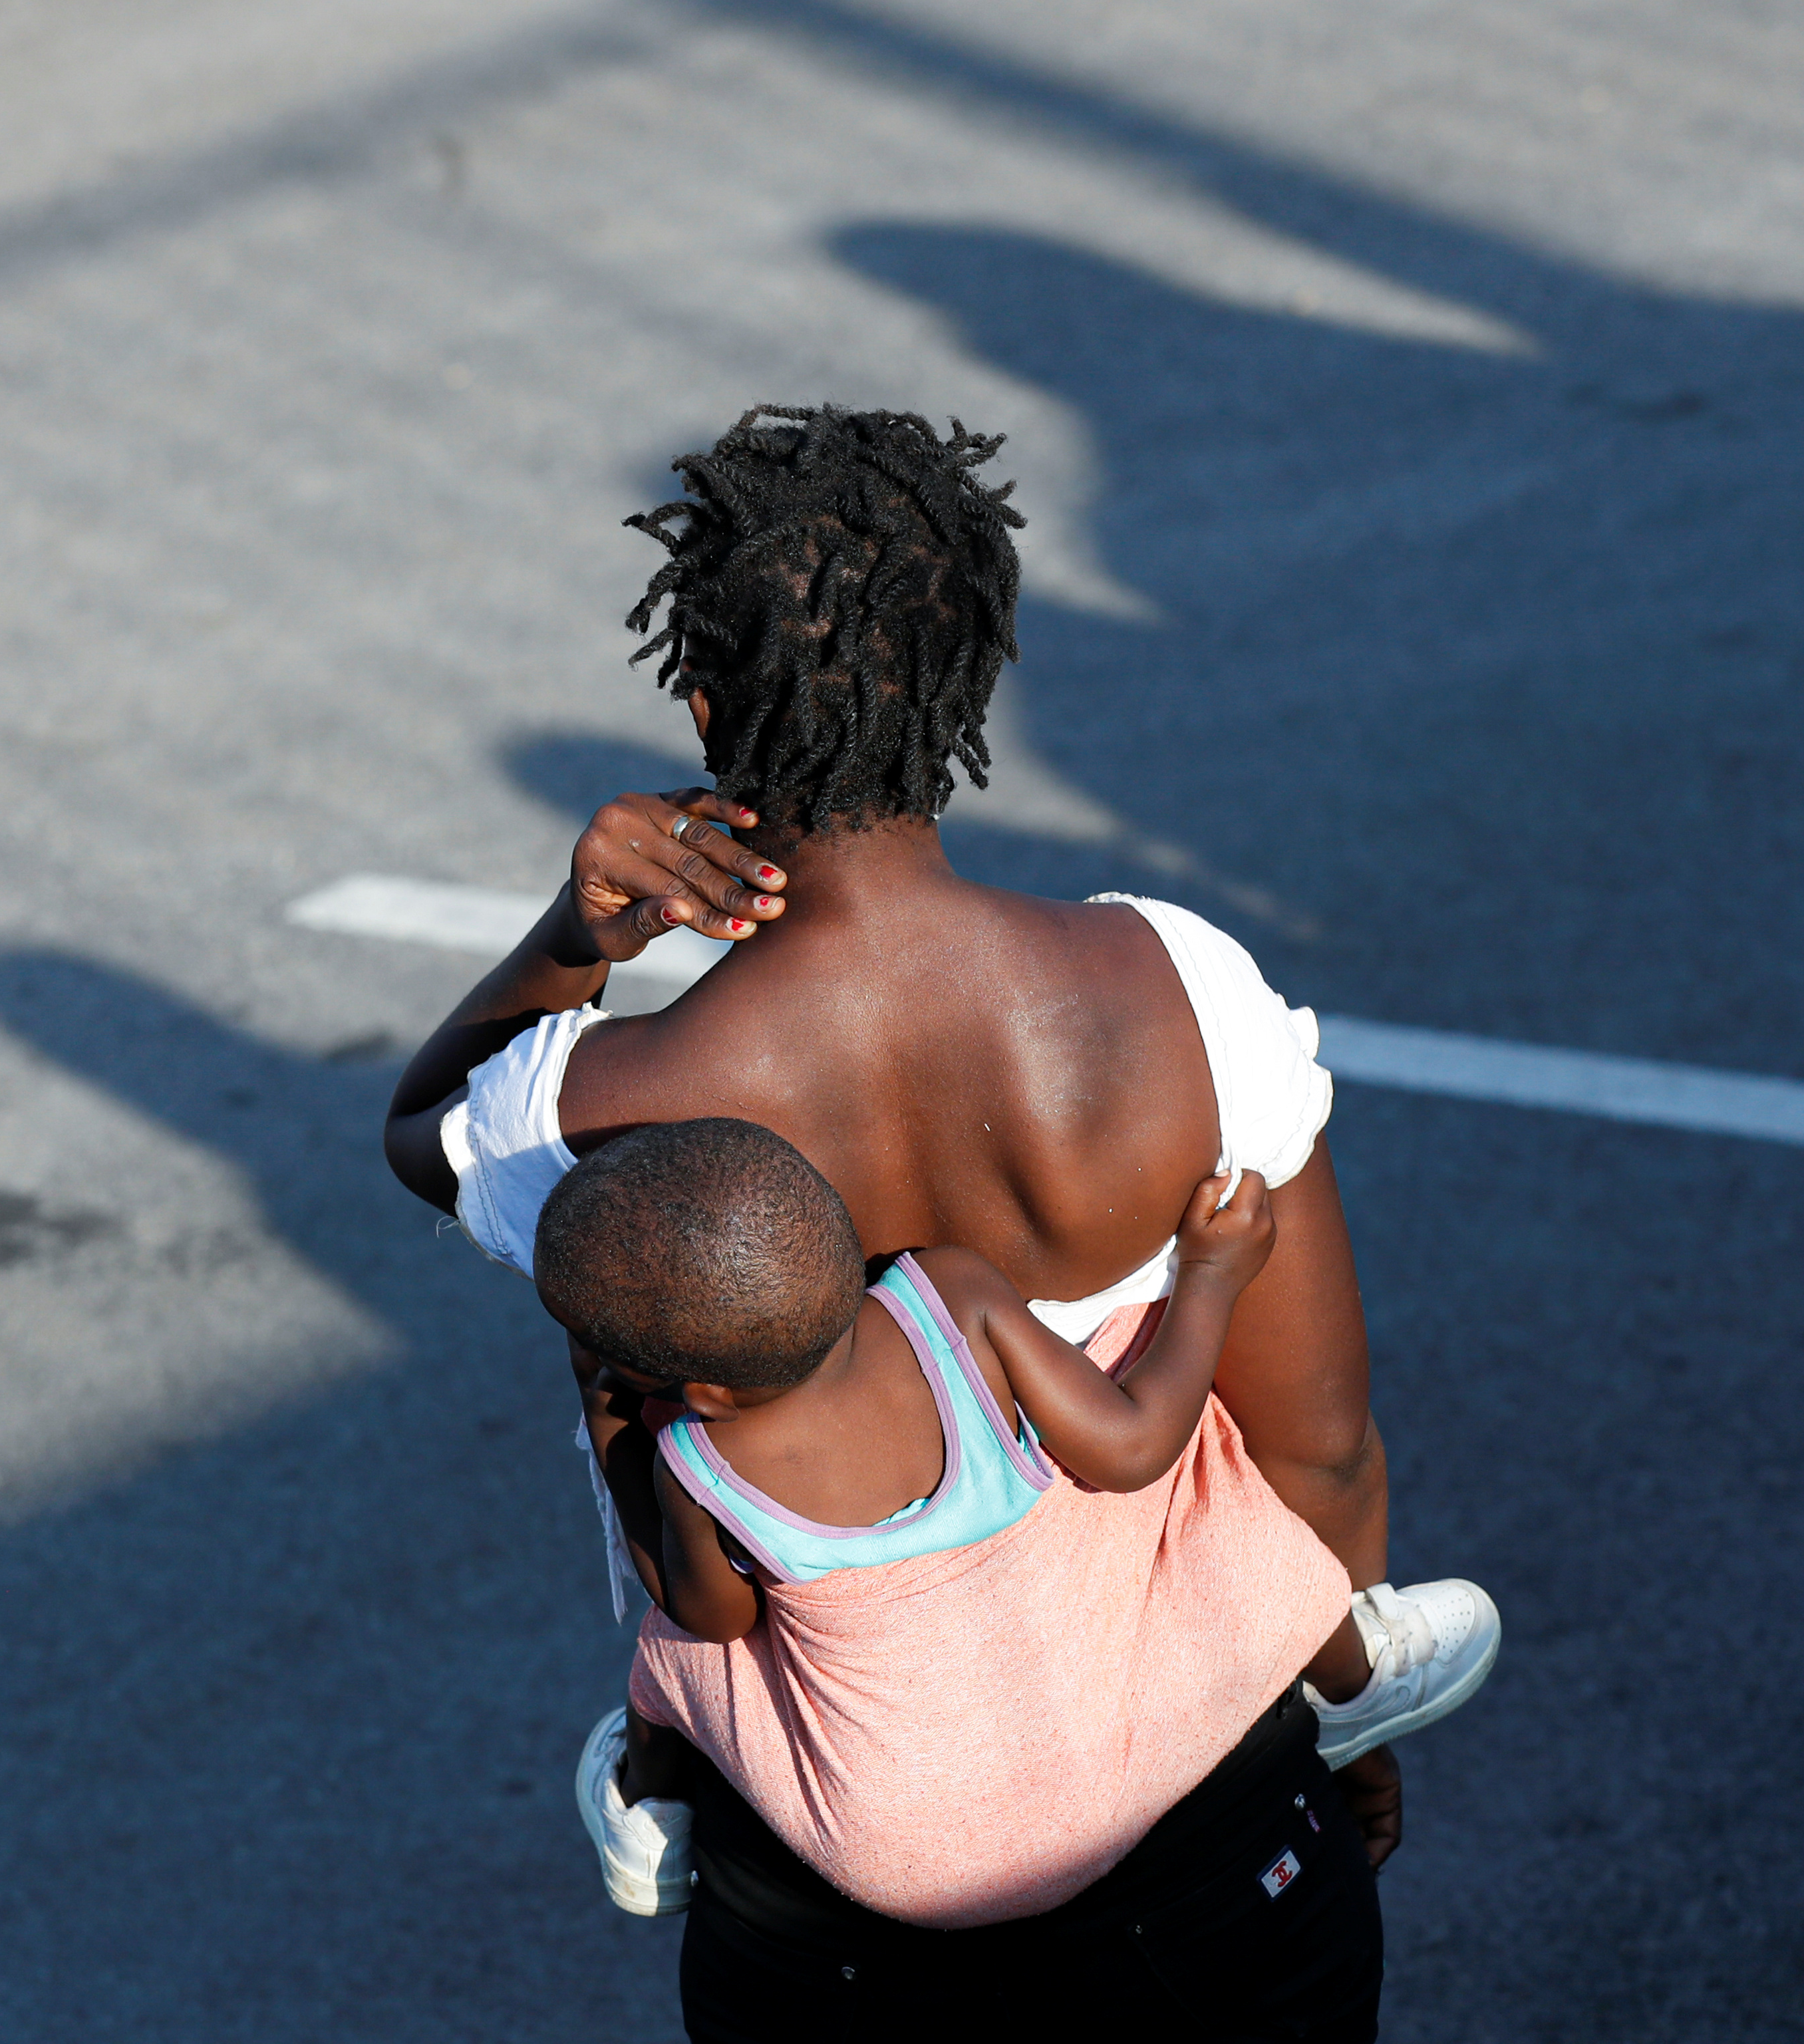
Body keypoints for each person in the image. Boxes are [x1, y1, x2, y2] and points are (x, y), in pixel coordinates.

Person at [380, 404, 1495, 1870]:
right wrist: (1349, 1732)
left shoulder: (580, 1113)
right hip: (1215, 1818)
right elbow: (1321, 1454)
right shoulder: (1183, 992)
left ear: (706, 715)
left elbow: (423, 1131)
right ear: (970, 679)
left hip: (836, 1866)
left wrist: (575, 931)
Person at [533, 1117, 1386, 2037]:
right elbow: (1137, 1447)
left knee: (679, 1662)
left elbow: (711, 1616)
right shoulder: (951, 1294)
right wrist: (1213, 1275)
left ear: (698, 1392)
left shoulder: (697, 1464)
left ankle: (651, 1804)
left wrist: (608, 1415)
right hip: (1130, 1786)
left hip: (900, 1856)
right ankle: (1378, 1668)